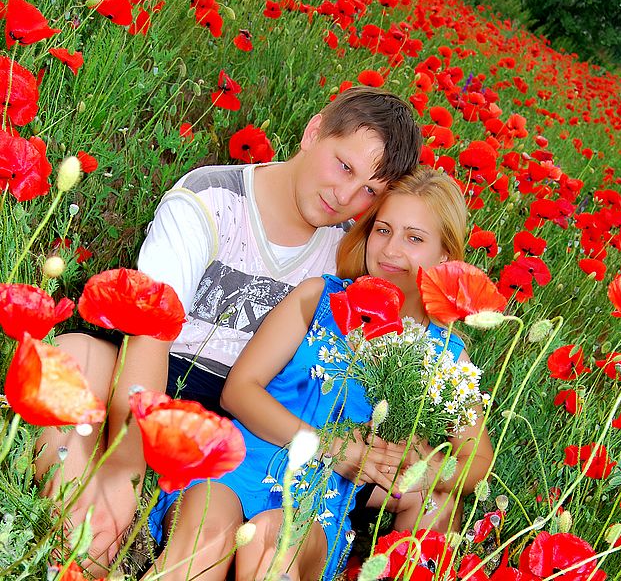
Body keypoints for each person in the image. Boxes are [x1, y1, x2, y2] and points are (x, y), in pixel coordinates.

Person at [33, 86, 422, 575]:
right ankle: (84, 537)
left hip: (245, 429)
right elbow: (151, 328)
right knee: (68, 357)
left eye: (369, 190)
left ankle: (111, 537)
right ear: (314, 131)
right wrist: (125, 469)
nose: (346, 197)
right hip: (155, 374)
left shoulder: (348, 253)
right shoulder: (210, 198)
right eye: (344, 166)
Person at [145, 168, 494, 581]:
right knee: (205, 530)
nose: (391, 250)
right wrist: (330, 447)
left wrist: (421, 463)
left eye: (414, 238)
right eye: (383, 230)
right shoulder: (320, 299)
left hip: (319, 497)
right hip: (244, 460)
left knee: (274, 544)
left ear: (445, 257)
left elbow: (477, 462)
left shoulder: (443, 351)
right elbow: (238, 391)